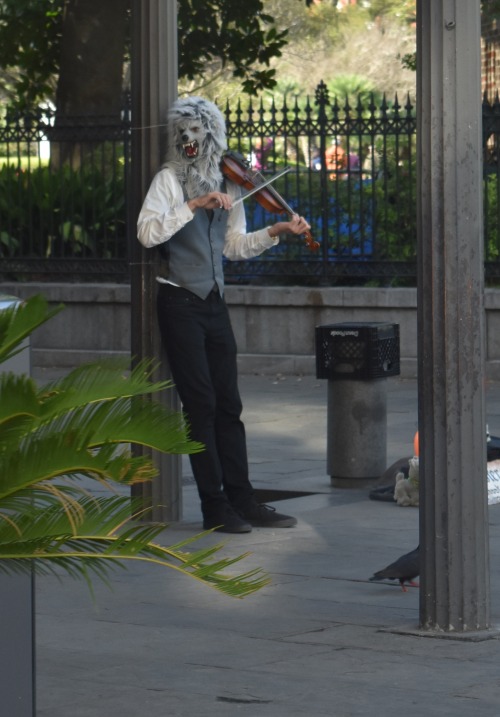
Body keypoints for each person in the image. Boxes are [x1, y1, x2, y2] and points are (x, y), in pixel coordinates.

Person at [137, 96, 310, 533]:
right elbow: (146, 233)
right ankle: (214, 507)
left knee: (229, 405)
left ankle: (243, 500)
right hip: (178, 301)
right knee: (201, 406)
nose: (191, 140)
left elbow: (232, 247)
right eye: (185, 133)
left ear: (212, 135)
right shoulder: (169, 180)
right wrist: (193, 206)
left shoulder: (231, 183)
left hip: (214, 302)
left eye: (199, 132)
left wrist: (275, 230)